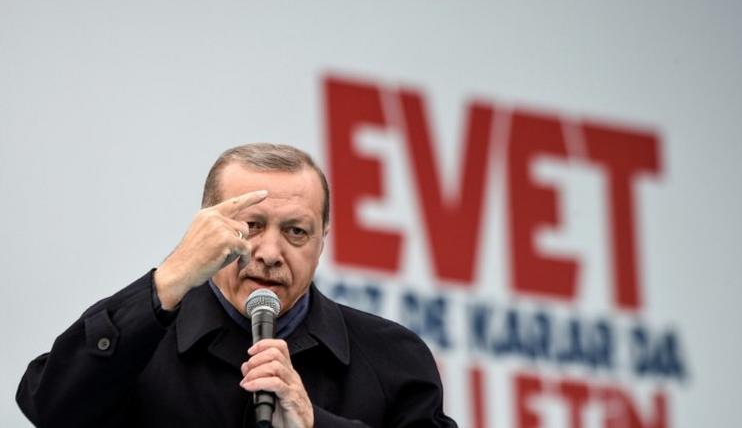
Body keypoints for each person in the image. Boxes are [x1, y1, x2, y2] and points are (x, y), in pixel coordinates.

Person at [17, 143, 457, 427]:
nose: (269, 252)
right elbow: (51, 407)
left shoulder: (391, 356)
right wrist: (168, 279)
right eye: (251, 225)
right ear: (207, 228)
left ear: (323, 242)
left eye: (296, 232)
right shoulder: (140, 343)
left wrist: (315, 425)